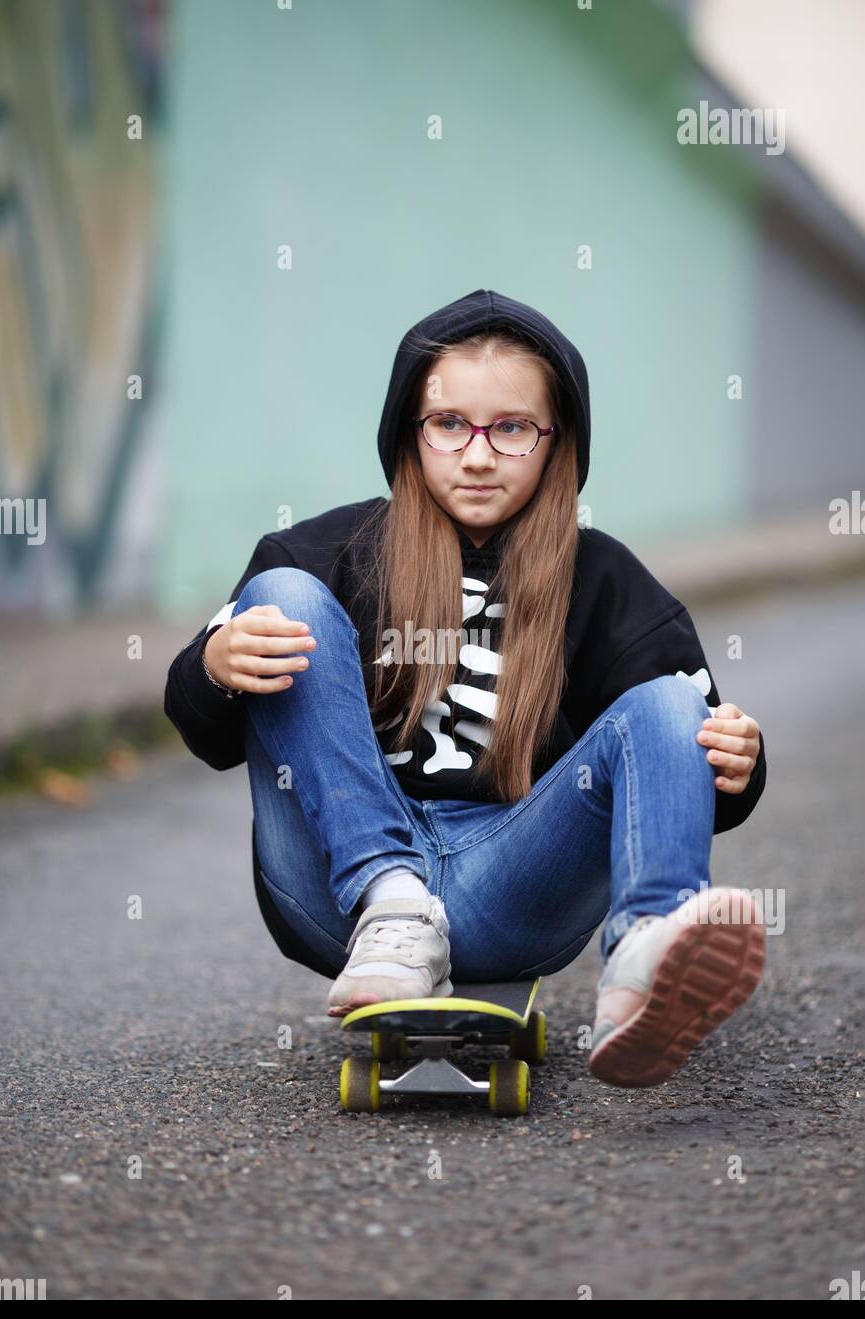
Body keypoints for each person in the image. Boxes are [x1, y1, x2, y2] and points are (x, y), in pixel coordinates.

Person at [164, 288, 767, 1089]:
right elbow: (202, 730)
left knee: (669, 704)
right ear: (409, 434)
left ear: (557, 443)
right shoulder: (326, 553)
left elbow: (694, 773)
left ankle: (646, 955)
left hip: (512, 888)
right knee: (282, 597)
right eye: (450, 424)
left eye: (511, 427)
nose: (477, 455)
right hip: (341, 897)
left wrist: (737, 760)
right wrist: (213, 666)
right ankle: (395, 899)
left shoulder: (607, 583)